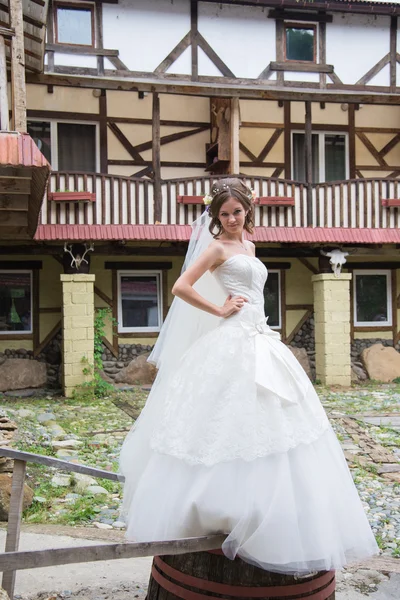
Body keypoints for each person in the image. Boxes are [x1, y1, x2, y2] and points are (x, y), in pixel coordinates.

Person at [119, 178, 378, 574]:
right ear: (216, 217)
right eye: (224, 214)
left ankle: (274, 507)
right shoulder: (217, 247)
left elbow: (255, 292)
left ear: (247, 211)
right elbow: (180, 286)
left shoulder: (251, 247)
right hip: (231, 339)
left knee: (277, 414)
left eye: (237, 212)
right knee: (224, 417)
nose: (231, 219)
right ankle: (218, 507)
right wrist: (218, 309)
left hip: (261, 338)